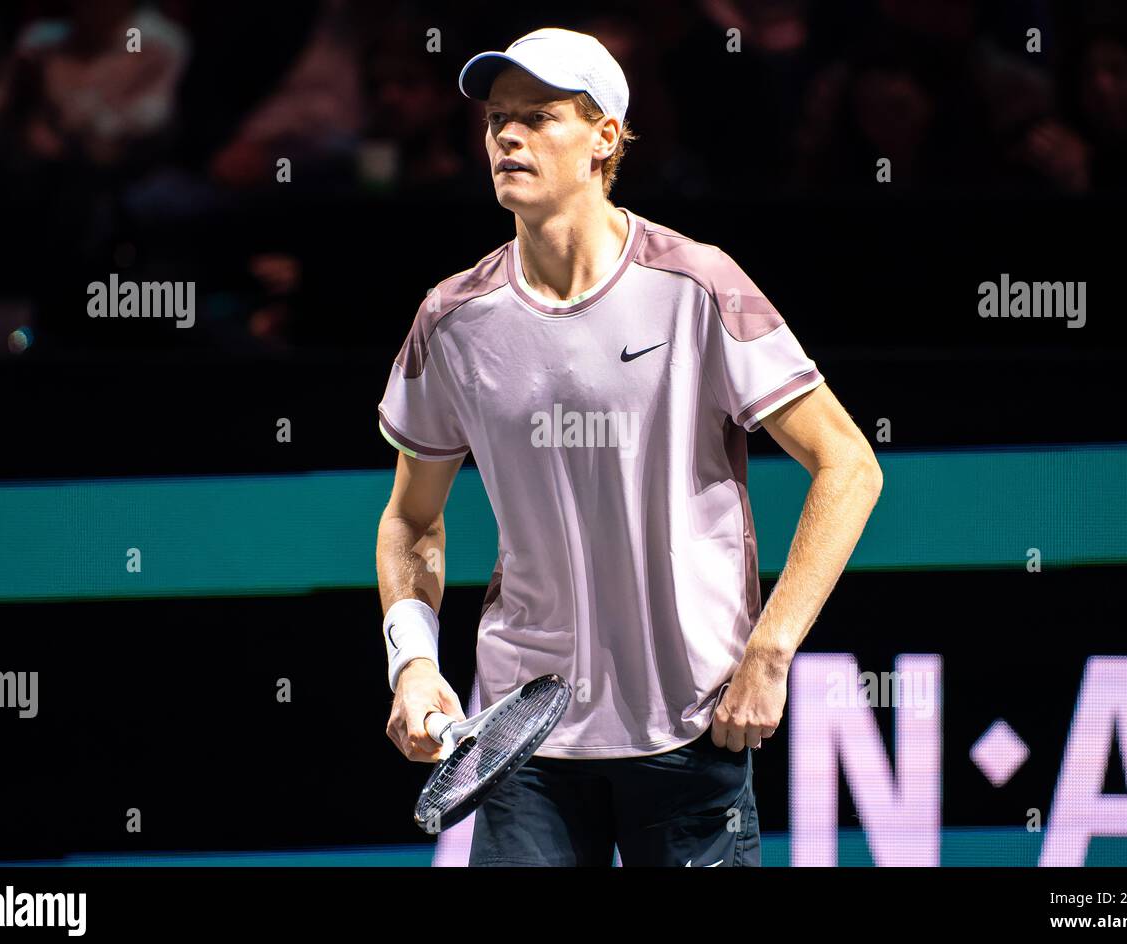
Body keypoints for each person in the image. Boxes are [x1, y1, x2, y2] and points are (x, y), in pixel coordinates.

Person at [376, 27, 882, 866]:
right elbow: (411, 521)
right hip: (524, 735)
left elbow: (849, 465)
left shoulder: (700, 285)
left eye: (539, 117)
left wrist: (771, 650)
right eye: (499, 118)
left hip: (690, 726)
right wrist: (413, 663)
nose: (507, 136)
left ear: (605, 135)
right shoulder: (451, 319)